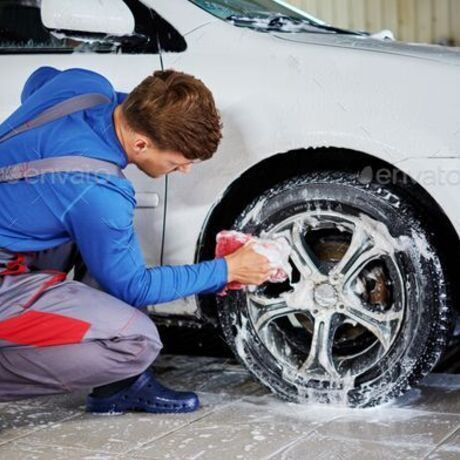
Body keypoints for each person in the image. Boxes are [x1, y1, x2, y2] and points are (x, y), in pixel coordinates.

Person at [0, 66, 274, 414]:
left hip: (16, 232)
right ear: (141, 143)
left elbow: (38, 79)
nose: (184, 170)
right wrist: (226, 269)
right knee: (136, 342)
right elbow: (136, 287)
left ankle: (118, 388)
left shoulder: (85, 86)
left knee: (96, 236)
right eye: (177, 162)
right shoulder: (98, 191)